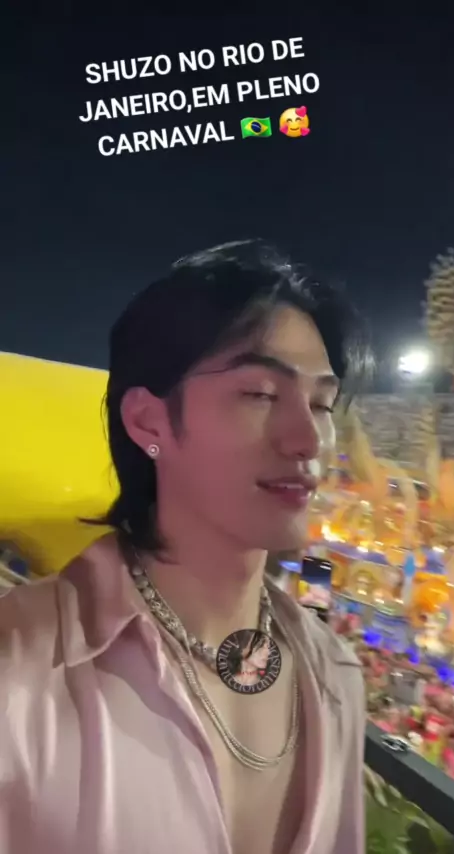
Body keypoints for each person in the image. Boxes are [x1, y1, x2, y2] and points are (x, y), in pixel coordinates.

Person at [0, 240, 371, 854]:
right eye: (260, 394)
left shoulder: (336, 675)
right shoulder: (21, 671)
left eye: (322, 403)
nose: (309, 439)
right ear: (148, 422)